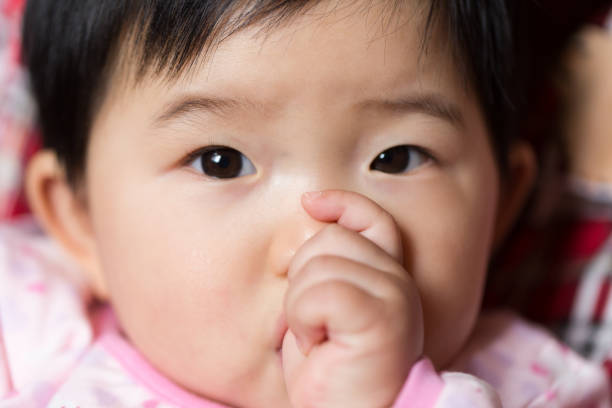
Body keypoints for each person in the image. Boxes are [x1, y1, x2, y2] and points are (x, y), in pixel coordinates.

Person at [0, 0, 608, 406]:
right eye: (221, 161)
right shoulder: (27, 339)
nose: (319, 241)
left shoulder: (535, 388)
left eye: (397, 158)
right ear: (81, 221)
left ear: (498, 209)